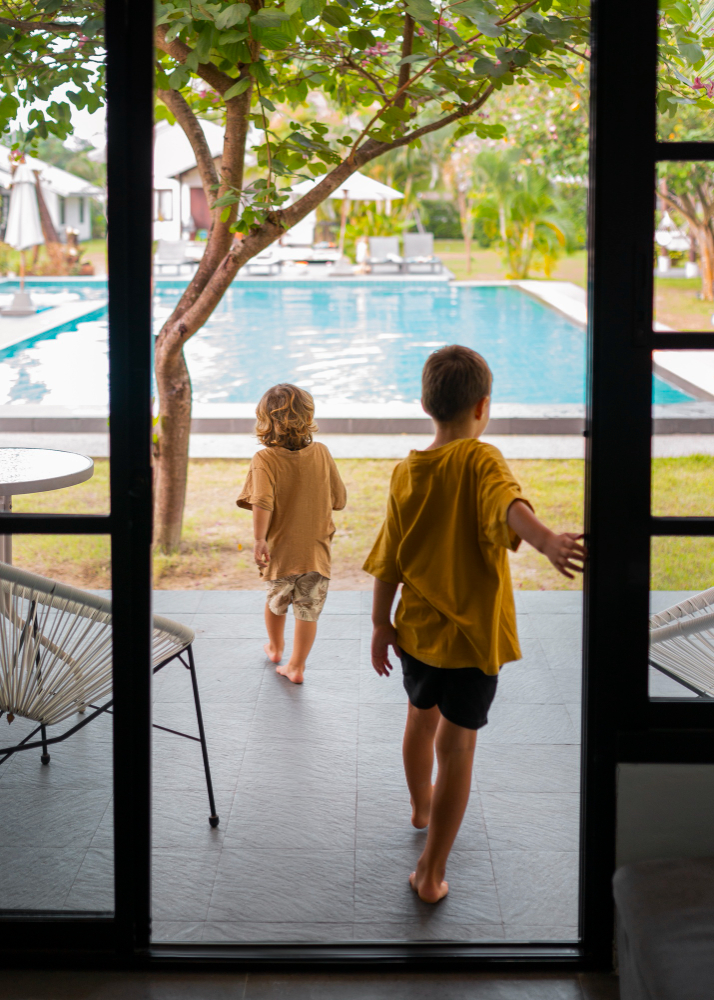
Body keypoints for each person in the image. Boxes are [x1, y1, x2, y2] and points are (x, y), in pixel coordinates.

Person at [363, 345, 585, 903]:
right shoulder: (482, 459)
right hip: (471, 642)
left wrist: (378, 624)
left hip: (415, 633)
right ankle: (431, 873)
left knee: (419, 719)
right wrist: (548, 541)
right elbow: (509, 507)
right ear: (482, 406)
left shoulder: (406, 471)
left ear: (424, 404)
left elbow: (389, 555)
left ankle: (420, 807)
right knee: (456, 749)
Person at [237, 383, 347, 684]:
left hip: (281, 552)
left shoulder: (265, 460)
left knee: (276, 600)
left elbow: (262, 502)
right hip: (316, 551)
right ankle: (296, 666)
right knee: (307, 609)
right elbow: (339, 500)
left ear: (265, 420)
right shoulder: (322, 453)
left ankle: (275, 648)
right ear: (308, 416)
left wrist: (259, 539)